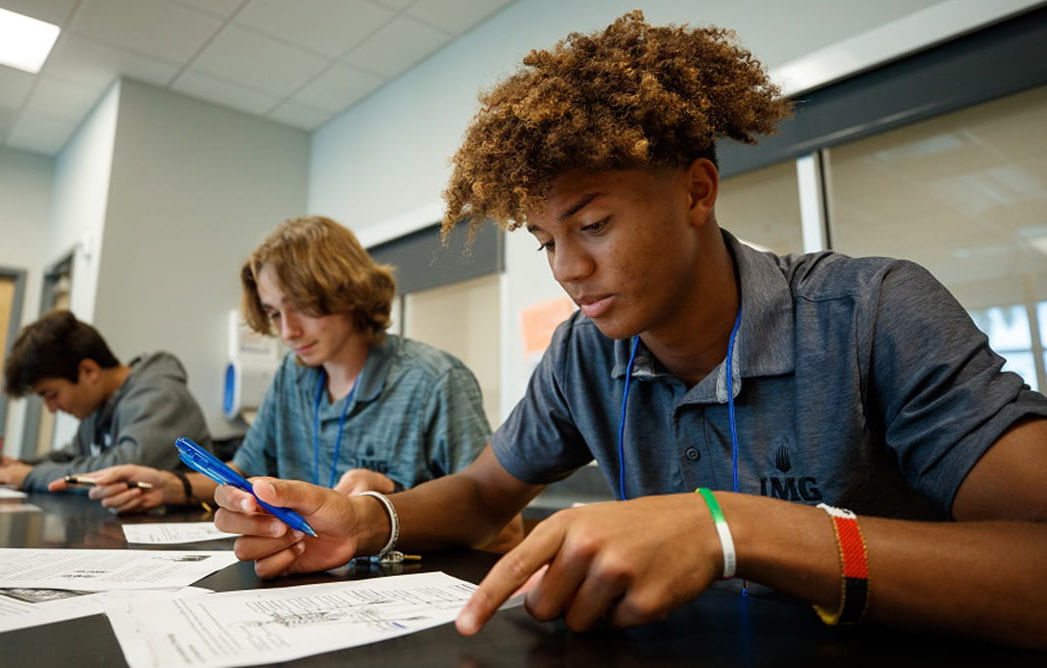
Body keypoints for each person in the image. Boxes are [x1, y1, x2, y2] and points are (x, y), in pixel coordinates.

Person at [208, 12, 1047, 649]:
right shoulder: (583, 353)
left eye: (593, 225)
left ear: (695, 191)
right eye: (545, 242)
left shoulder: (871, 312)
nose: (567, 268)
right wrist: (365, 522)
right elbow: (481, 495)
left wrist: (732, 529)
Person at [65, 216, 519, 550]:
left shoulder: (434, 380)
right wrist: (169, 485)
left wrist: (391, 501)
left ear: (349, 290)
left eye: (300, 306)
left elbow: (503, 526)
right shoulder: (292, 376)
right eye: (274, 313)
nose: (287, 331)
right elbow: (245, 473)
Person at [0, 309, 213, 492]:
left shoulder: (160, 395)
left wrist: (29, 476)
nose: (51, 408)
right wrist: (19, 465)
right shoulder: (98, 409)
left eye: (52, 395)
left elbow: (121, 468)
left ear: (89, 371)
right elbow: (74, 454)